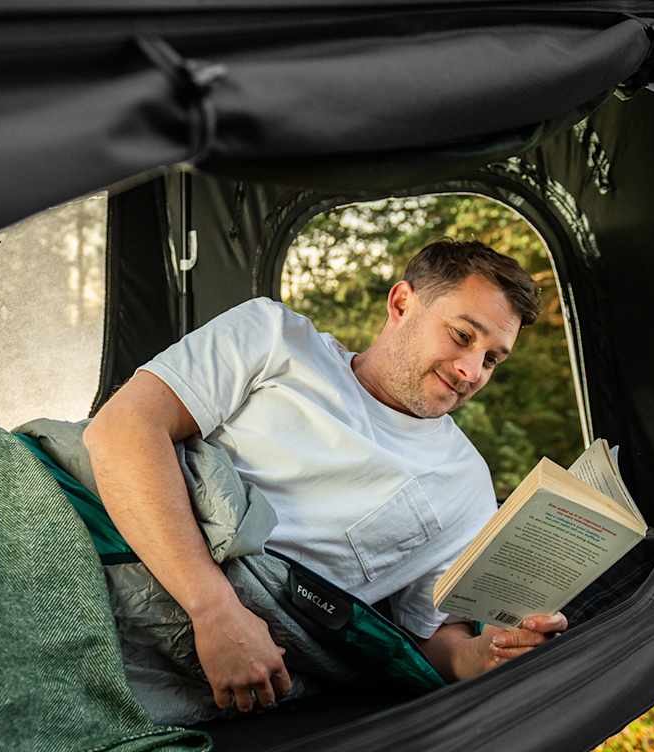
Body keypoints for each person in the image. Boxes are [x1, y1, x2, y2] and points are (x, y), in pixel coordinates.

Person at [83, 239, 568, 715]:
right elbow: (124, 428)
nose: (470, 371)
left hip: (247, 632)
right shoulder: (272, 336)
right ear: (402, 304)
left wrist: (487, 655)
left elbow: (431, 637)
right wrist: (214, 610)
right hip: (99, 528)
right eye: (462, 336)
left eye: (492, 360)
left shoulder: (465, 485)